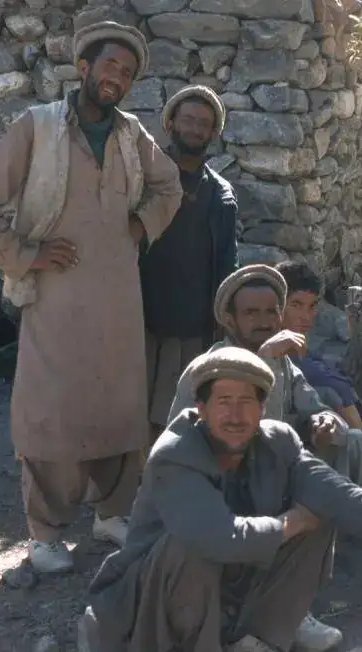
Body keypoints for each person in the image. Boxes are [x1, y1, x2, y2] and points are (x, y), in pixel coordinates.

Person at [83, 347, 362, 652]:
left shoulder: (277, 441)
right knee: (190, 546)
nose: (236, 415)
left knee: (320, 511)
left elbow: (341, 494)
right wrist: (290, 522)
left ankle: (253, 639)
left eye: (247, 402)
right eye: (223, 401)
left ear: (263, 408)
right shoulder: (175, 452)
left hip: (223, 582)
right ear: (201, 408)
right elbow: (218, 537)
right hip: (148, 601)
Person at [0, 21, 182, 573]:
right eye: (109, 66)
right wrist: (25, 253)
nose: (117, 78)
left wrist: (141, 225)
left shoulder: (131, 134)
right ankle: (46, 532)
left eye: (127, 72)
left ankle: (112, 512)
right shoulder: (37, 127)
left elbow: (168, 185)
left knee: (119, 401)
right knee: (51, 410)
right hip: (54, 294)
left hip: (118, 294)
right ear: (84, 67)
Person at [166, 266, 362, 612]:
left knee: (355, 443)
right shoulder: (211, 368)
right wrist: (267, 359)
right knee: (294, 485)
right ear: (229, 319)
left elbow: (313, 407)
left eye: (271, 312)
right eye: (251, 313)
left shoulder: (285, 365)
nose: (264, 322)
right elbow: (242, 440)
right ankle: (281, 609)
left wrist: (323, 423)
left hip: (270, 470)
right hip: (222, 487)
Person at [140, 85, 237, 444]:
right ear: (170, 124)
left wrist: (223, 319)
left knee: (178, 417)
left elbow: (226, 262)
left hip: (193, 326)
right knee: (129, 414)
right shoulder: (141, 180)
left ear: (213, 133)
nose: (195, 129)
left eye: (204, 124)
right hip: (138, 319)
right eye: (189, 120)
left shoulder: (221, 195)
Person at [274, 260, 362, 442]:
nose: (306, 316)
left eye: (312, 306)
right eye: (296, 305)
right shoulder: (274, 353)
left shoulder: (307, 352)